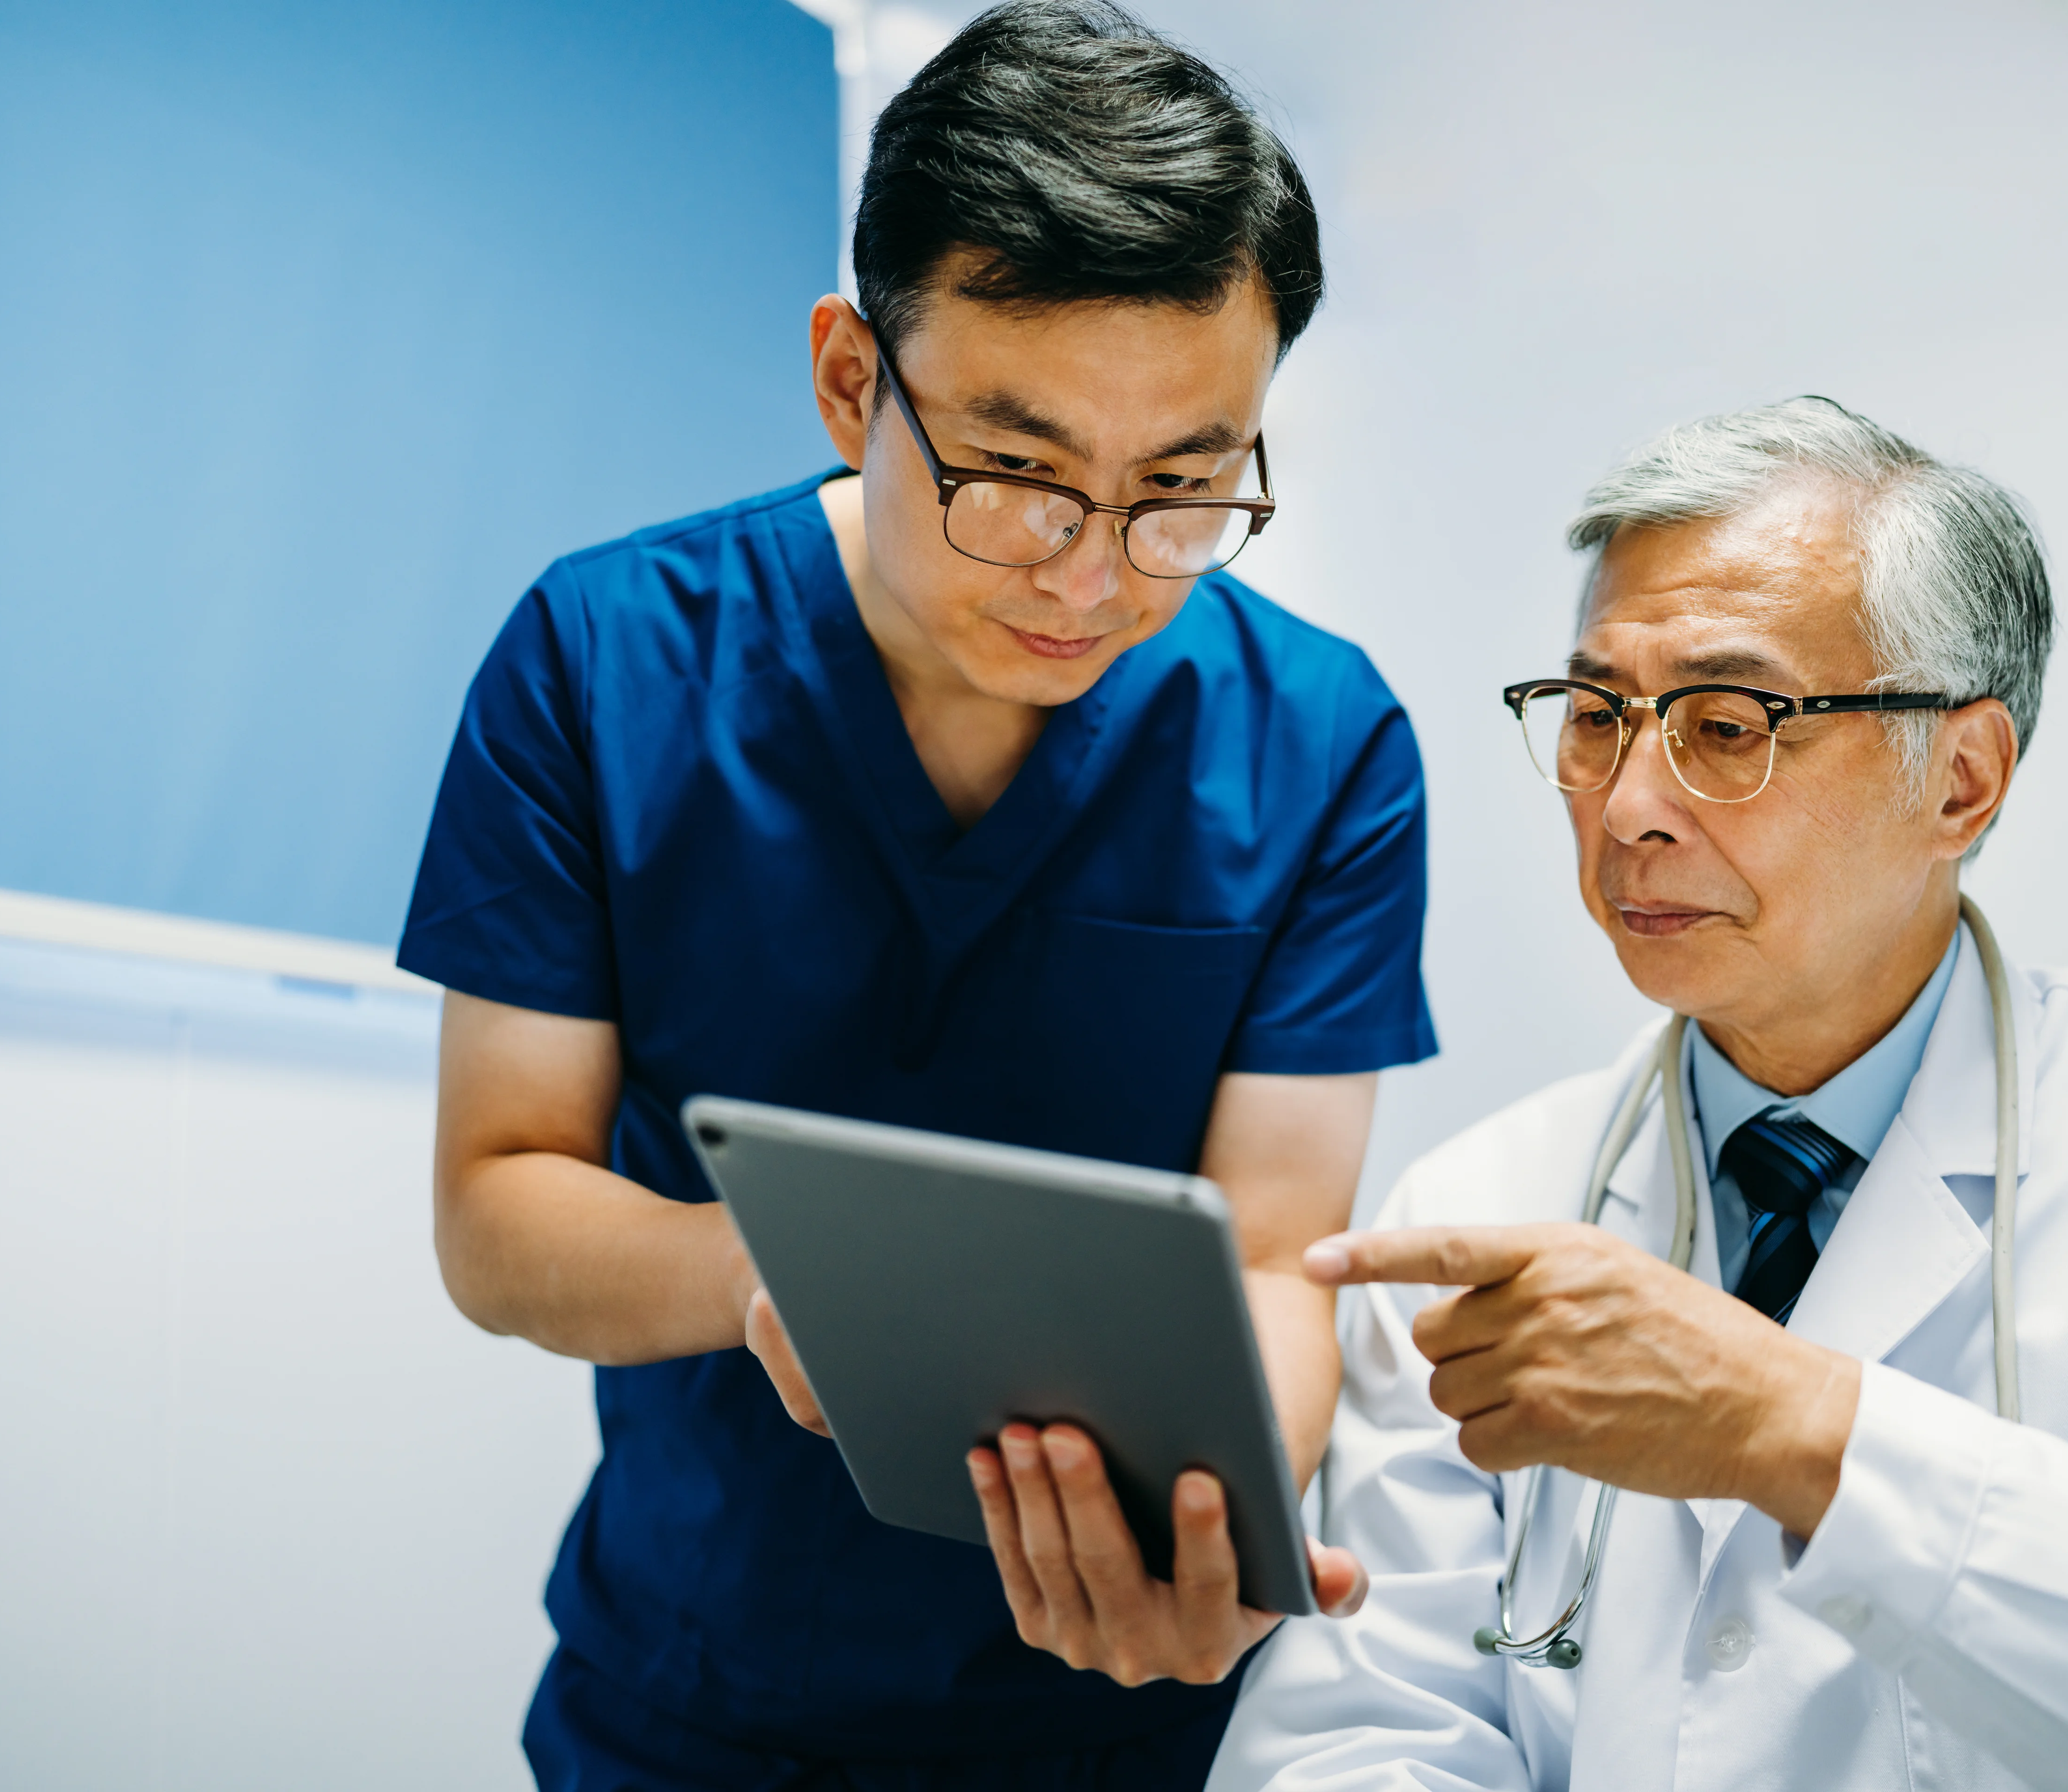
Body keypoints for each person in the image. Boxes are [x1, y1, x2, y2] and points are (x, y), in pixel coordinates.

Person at [1211, 399, 2068, 1789]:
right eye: (1598, 717)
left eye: (1729, 725)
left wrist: (1806, 1433)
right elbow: (1358, 1740)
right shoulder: (1483, 1210)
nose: (1626, 808)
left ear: (1962, 780)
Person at [401, 5, 1419, 1785]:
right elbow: (500, 1211)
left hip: (1119, 1721)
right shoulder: (605, 658)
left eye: (1183, 492)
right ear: (852, 380)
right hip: (688, 1697)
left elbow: (1277, 1254)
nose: (1095, 577)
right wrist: (789, 1281)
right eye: (1018, 479)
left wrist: (1217, 1544)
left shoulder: (1324, 743)